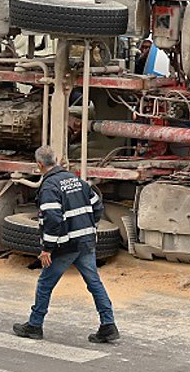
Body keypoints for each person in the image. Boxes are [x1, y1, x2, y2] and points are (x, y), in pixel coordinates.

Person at [13, 146, 118, 343]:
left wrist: (47, 249)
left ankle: (34, 326)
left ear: (39, 165)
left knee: (45, 284)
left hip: (66, 245)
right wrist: (88, 226)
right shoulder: (77, 180)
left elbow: (52, 219)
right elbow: (97, 205)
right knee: (94, 283)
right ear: (58, 160)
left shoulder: (49, 187)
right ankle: (108, 325)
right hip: (86, 241)